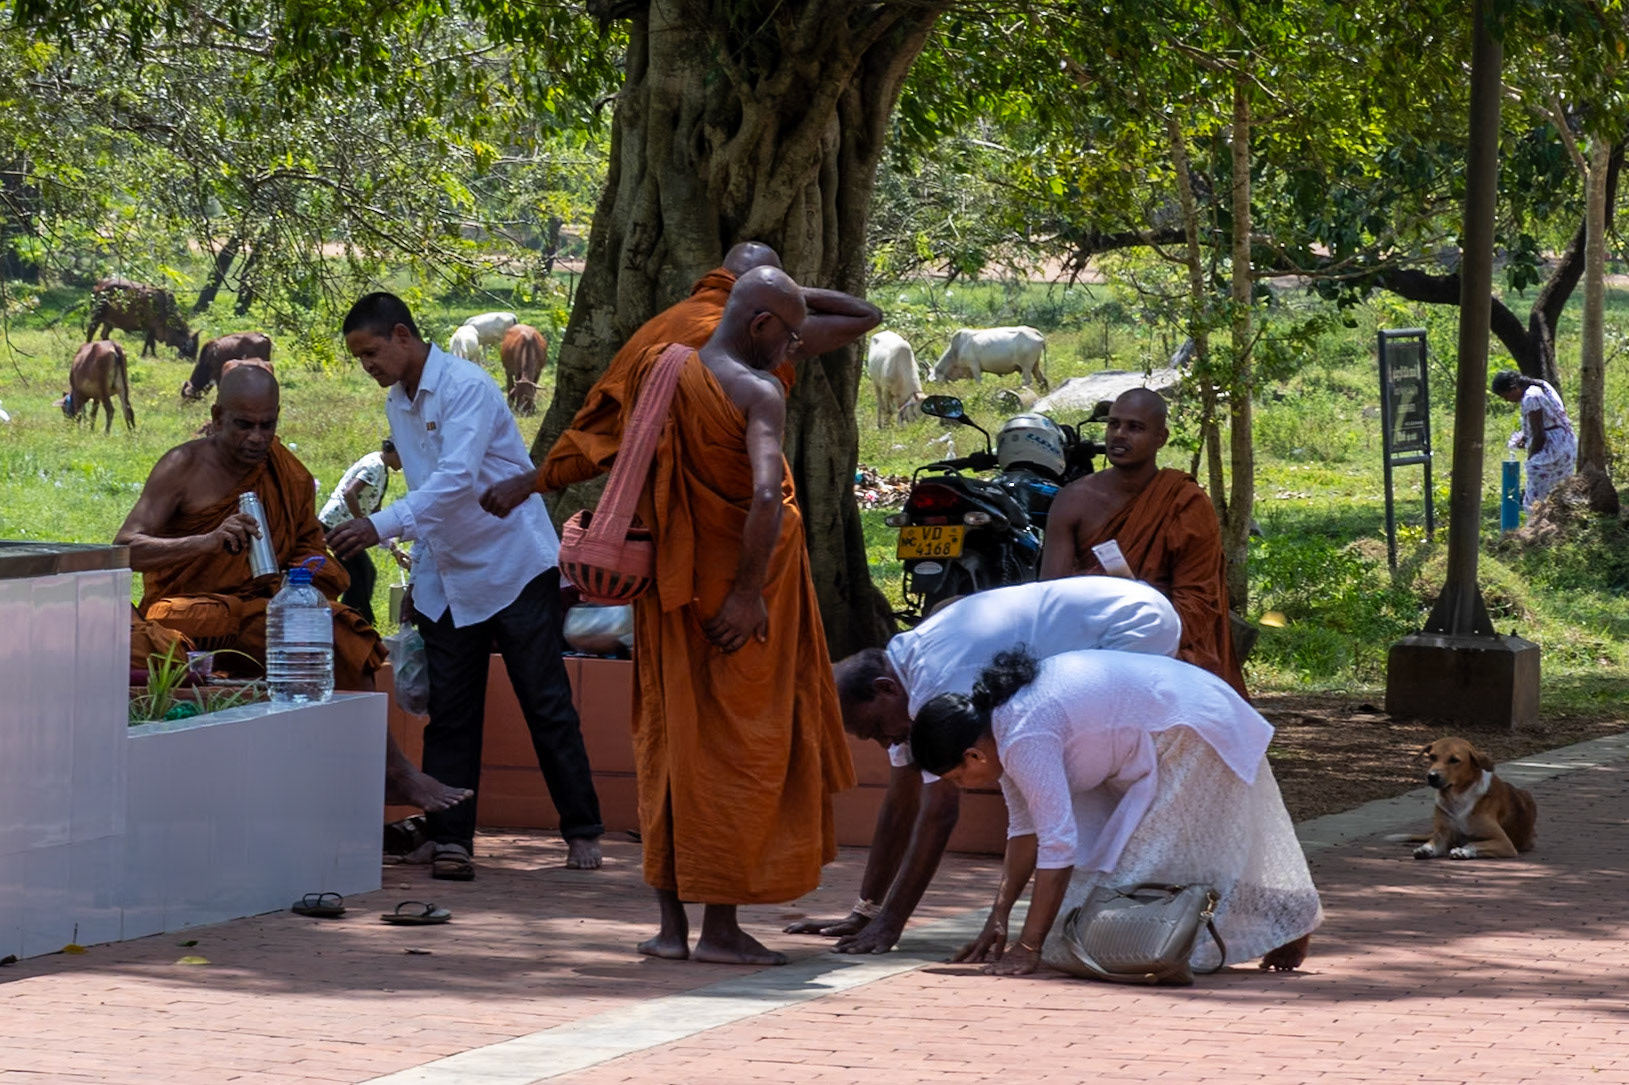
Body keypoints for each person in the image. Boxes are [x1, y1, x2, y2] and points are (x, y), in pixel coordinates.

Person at [504, 267, 876, 965]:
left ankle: (671, 928)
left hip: (665, 597)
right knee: (731, 752)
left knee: (669, 747)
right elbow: (765, 495)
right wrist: (744, 592)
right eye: (789, 333)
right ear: (760, 324)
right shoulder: (756, 389)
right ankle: (721, 929)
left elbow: (612, 445)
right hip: (724, 605)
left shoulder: (663, 366)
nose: (794, 347)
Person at [330, 292, 603, 879]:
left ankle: (582, 830)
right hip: (445, 573)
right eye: (360, 358)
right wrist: (415, 557)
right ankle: (452, 837)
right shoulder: (397, 403)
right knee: (451, 712)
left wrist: (378, 525)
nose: (368, 366)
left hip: (512, 565)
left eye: (371, 352)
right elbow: (435, 489)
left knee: (546, 702)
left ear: (402, 336)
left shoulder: (467, 387)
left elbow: (455, 480)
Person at [115, 364, 471, 813]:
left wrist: (295, 580)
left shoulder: (286, 471)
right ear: (217, 415)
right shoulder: (181, 466)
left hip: (264, 612)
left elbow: (308, 546)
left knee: (338, 629)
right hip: (193, 615)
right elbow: (124, 548)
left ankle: (391, 772)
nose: (256, 438)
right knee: (162, 628)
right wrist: (204, 541)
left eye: (268, 425)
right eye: (244, 425)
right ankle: (390, 774)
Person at [799, 578, 1182, 954]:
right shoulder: (904, 681)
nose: (886, 742)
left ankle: (1129, 918)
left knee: (1083, 778)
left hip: (1134, 622)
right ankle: (1081, 913)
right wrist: (866, 912)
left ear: (885, 688)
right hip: (1121, 605)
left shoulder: (935, 681)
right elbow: (900, 805)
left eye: (878, 729)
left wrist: (891, 924)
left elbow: (939, 813)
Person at [912, 647, 1321, 978]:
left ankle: (1287, 915)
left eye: (957, 777)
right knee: (1089, 919)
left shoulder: (1022, 735)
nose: (961, 788)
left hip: (1189, 727)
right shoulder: (1000, 730)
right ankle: (1283, 913)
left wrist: (1028, 947)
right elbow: (1025, 831)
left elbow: (1057, 843)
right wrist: (997, 919)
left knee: (1148, 885)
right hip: (1163, 729)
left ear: (973, 754)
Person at [480, 240, 884, 516]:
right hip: (724, 509)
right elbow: (866, 315)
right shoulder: (760, 335)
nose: (790, 340)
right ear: (763, 320)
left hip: (667, 504)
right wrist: (782, 291)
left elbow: (606, 433)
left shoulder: (664, 328)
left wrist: (530, 483)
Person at [1040, 388, 1246, 698]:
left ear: (1160, 438)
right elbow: (1051, 595)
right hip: (1089, 641)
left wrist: (1139, 641)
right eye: (1114, 424)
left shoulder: (1184, 502)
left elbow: (1197, 603)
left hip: (1172, 645)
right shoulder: (1074, 499)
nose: (1119, 435)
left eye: (1134, 427)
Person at [318, 438, 409, 624]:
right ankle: (359, 620)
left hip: (346, 527)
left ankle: (351, 618)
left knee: (365, 573)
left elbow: (376, 513)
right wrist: (362, 521)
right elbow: (349, 492)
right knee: (358, 575)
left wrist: (393, 548)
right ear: (397, 452)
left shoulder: (382, 469)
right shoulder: (375, 465)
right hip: (336, 525)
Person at [1492, 369, 1577, 510]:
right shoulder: (1541, 386)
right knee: (1559, 492)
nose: (1507, 401)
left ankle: (1538, 528)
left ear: (1514, 387)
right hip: (1566, 444)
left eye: (1506, 396)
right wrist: (1525, 437)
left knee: (1535, 502)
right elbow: (1547, 420)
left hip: (1553, 450)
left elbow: (1539, 435)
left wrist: (1532, 457)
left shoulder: (1530, 398)